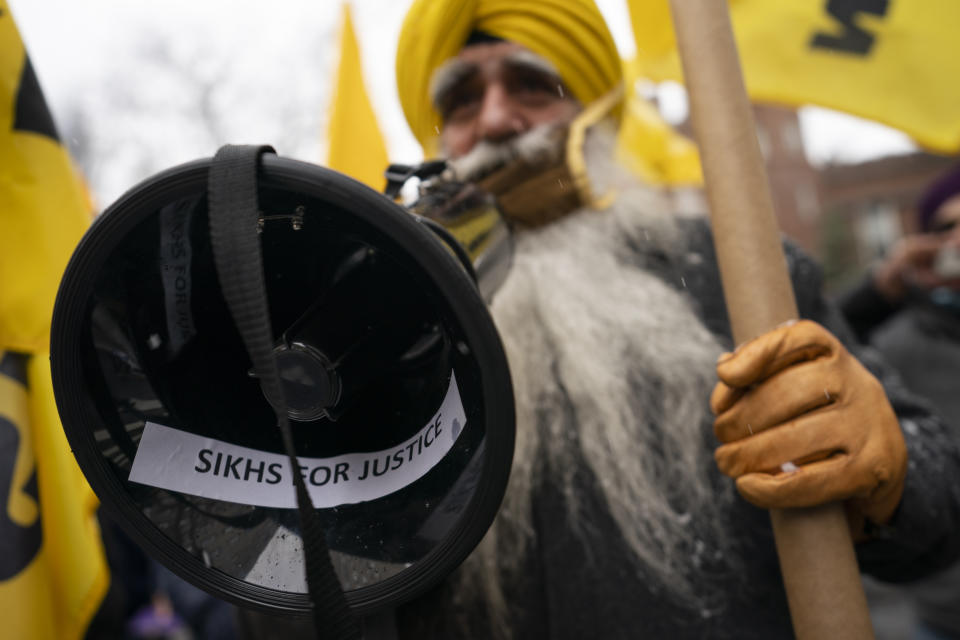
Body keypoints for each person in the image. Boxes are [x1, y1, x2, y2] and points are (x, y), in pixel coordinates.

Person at [384, 1, 960, 639]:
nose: (496, 119)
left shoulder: (739, 270)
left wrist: (890, 470)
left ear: (596, 106)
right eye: (462, 101)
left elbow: (941, 511)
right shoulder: (392, 327)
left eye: (531, 85)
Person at [839, 164, 960, 640]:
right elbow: (823, 348)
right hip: (942, 610)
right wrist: (881, 290)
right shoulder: (897, 338)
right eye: (946, 228)